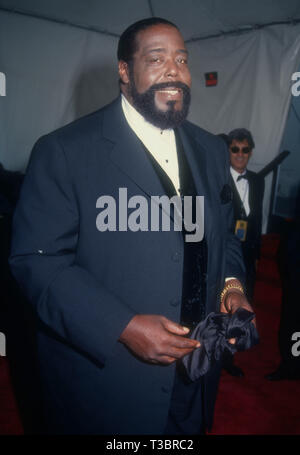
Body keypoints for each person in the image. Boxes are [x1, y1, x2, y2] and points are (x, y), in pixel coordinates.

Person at [9, 18, 253, 435]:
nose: (173, 69)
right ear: (124, 71)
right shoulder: (65, 151)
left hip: (197, 374)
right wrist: (120, 325)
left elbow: (224, 236)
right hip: (111, 382)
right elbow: (37, 262)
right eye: (156, 58)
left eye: (181, 58)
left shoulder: (212, 149)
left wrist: (232, 287)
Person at [222, 129, 264, 377]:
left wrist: (257, 252)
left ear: (250, 152)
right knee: (228, 303)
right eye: (235, 149)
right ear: (228, 151)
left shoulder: (258, 180)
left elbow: (256, 219)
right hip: (229, 254)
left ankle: (235, 347)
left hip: (249, 252)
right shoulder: (218, 179)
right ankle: (224, 356)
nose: (239, 155)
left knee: (246, 302)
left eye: (245, 150)